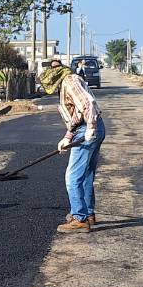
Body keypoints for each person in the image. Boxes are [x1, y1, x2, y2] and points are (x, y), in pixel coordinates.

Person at [39, 57, 105, 233]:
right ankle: (88, 214)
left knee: (72, 177)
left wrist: (90, 127)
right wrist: (68, 137)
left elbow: (87, 103)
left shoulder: (69, 81)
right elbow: (77, 112)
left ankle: (79, 219)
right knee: (86, 174)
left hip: (88, 130)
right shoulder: (68, 81)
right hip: (88, 128)